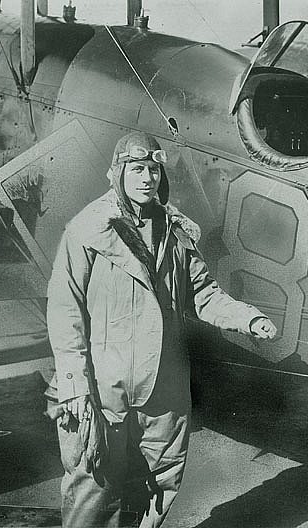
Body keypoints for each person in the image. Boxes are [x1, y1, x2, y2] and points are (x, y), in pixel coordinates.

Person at [46, 131, 277, 527]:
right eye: (137, 169)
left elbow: (204, 293)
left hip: (163, 393)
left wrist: (248, 318)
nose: (146, 178)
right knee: (92, 491)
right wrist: (73, 382)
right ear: (118, 172)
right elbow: (65, 308)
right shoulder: (87, 229)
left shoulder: (174, 232)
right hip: (103, 390)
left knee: (158, 486)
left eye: (153, 170)